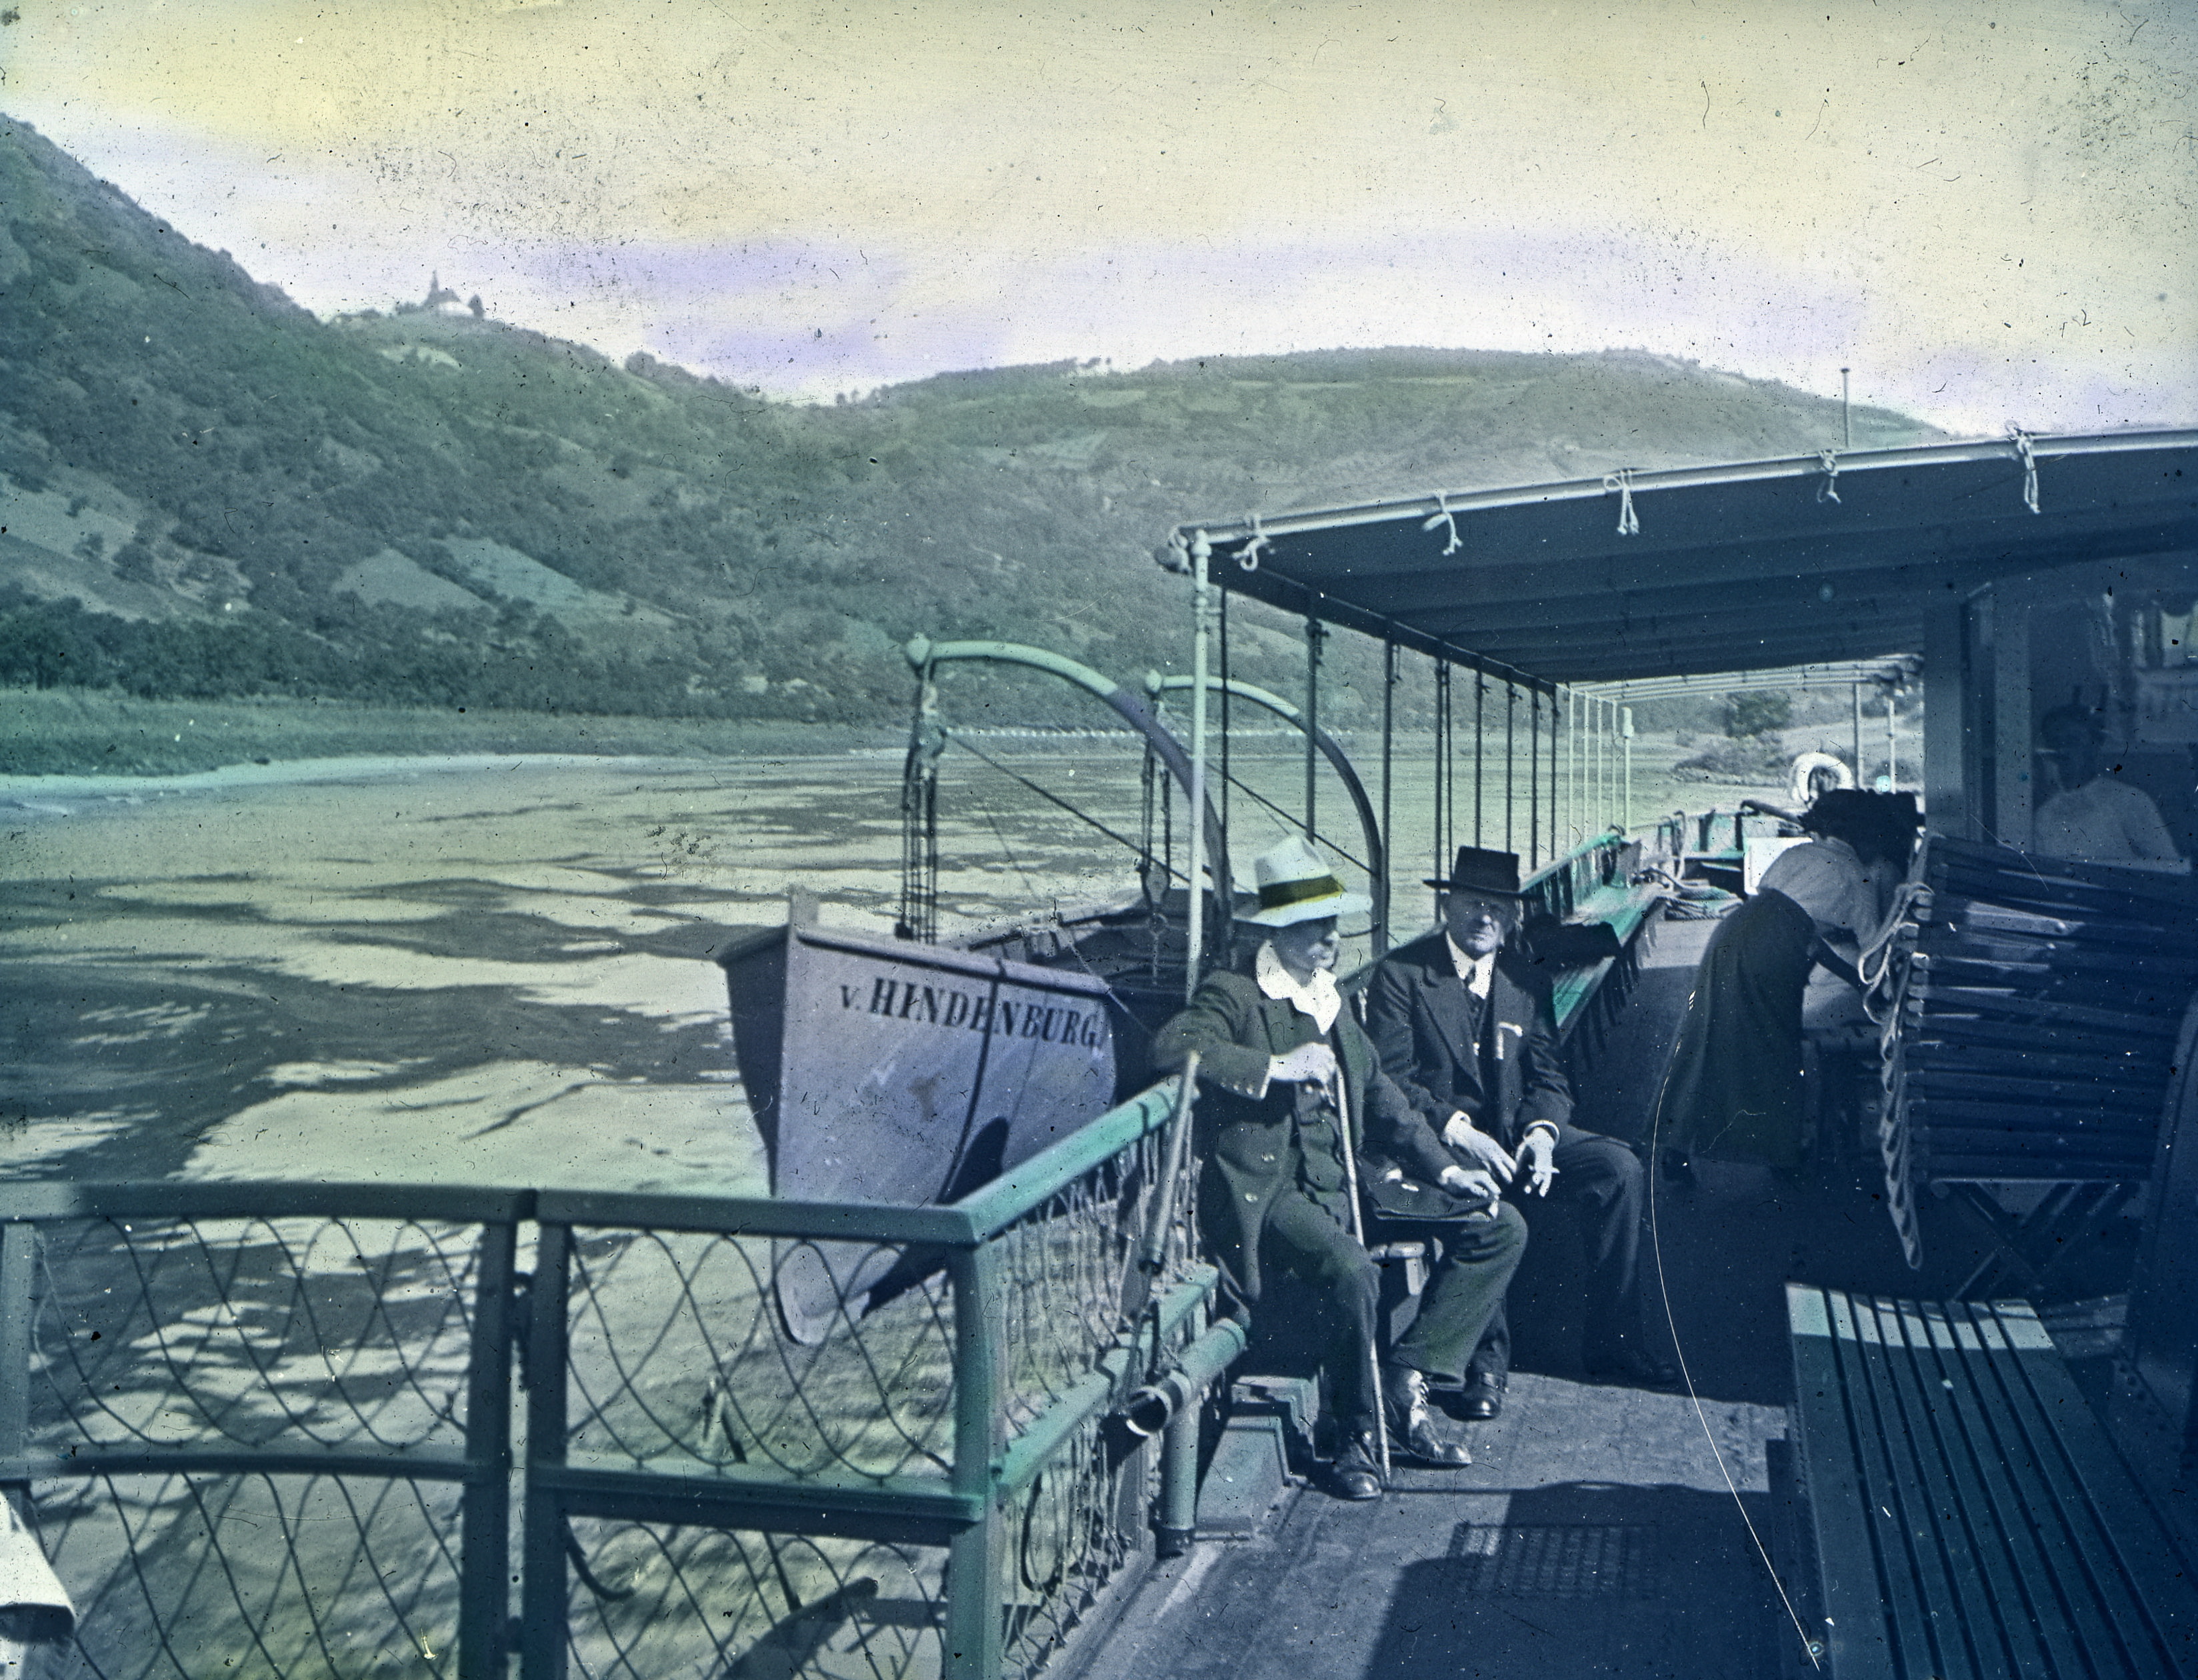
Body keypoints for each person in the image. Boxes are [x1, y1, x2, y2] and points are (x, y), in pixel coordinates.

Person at [1152, 837, 1527, 1501]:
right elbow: (1175, 1045)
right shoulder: (1236, 993)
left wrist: (1444, 1173)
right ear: (1282, 931)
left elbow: (1382, 1096)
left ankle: (1406, 1377)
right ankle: (1357, 1435)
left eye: (1333, 925)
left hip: (1349, 1176)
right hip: (1276, 1190)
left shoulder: (1329, 999)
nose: (1333, 937)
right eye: (1319, 927)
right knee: (1353, 1271)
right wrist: (1274, 1068)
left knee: (1500, 1226)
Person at [1365, 846, 1678, 1419]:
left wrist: (1540, 1134)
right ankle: (1487, 1366)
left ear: (1510, 918)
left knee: (1619, 1169)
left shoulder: (1521, 977)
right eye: (1471, 903)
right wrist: (1458, 1130)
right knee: (1487, 1193)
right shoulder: (1402, 976)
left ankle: (1615, 1344)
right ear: (1445, 905)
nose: (1484, 917)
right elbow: (1391, 1082)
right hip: (1440, 1148)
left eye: (1496, 907)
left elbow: (1548, 1073)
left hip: (1514, 1135)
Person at [1651, 790, 1919, 1177]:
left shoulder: (1798, 856)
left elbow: (1798, 929)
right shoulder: (1855, 876)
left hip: (1730, 936)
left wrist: (1847, 974)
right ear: (1866, 836)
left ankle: (1675, 1145)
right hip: (1775, 950)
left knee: (1703, 1035)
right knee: (1774, 1046)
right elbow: (1872, 955)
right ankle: (1783, 1155)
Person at [2033, 705, 2185, 872]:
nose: (2062, 751)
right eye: (2054, 743)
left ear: (2094, 747)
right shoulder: (2044, 815)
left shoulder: (2129, 801)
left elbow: (2170, 870)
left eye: (2072, 741)